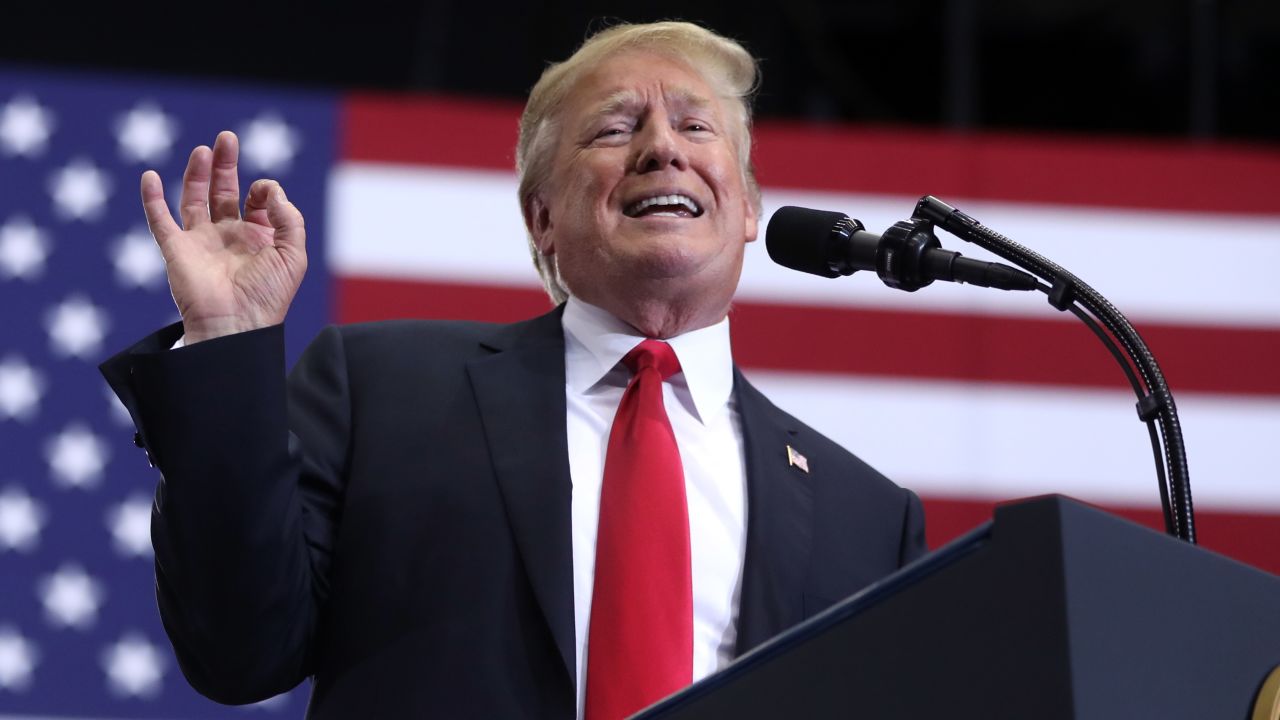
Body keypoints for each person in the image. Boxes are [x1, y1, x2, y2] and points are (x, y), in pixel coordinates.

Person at [101, 21, 925, 720]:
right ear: (542, 218)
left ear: (746, 207)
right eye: (614, 128)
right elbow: (237, 652)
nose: (661, 148)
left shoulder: (870, 520)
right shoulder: (379, 388)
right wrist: (225, 346)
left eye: (695, 126)